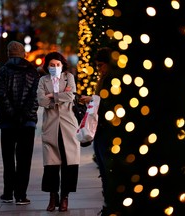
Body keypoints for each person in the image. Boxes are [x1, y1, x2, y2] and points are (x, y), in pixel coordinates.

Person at [0, 41, 40, 205]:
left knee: (8, 159)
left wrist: (12, 113)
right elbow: (35, 97)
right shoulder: (33, 72)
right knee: (24, 159)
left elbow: (0, 96)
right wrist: (25, 114)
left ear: (9, 54)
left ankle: (8, 193)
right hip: (27, 123)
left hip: (8, 123)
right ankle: (21, 194)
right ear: (24, 54)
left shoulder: (2, 72)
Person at [37, 52, 80, 212]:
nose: (55, 68)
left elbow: (70, 95)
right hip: (50, 126)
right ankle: (52, 196)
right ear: (47, 66)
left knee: (70, 163)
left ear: (62, 65)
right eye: (51, 65)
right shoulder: (43, 80)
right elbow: (41, 100)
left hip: (68, 126)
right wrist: (58, 96)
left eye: (57, 64)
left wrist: (52, 96)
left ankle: (65, 197)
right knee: (51, 164)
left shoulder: (69, 77)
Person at [80, 47, 116, 215]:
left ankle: (110, 205)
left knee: (107, 169)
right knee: (104, 168)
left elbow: (110, 103)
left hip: (107, 130)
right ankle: (108, 204)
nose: (99, 69)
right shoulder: (104, 78)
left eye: (101, 65)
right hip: (101, 130)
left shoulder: (112, 79)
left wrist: (94, 100)